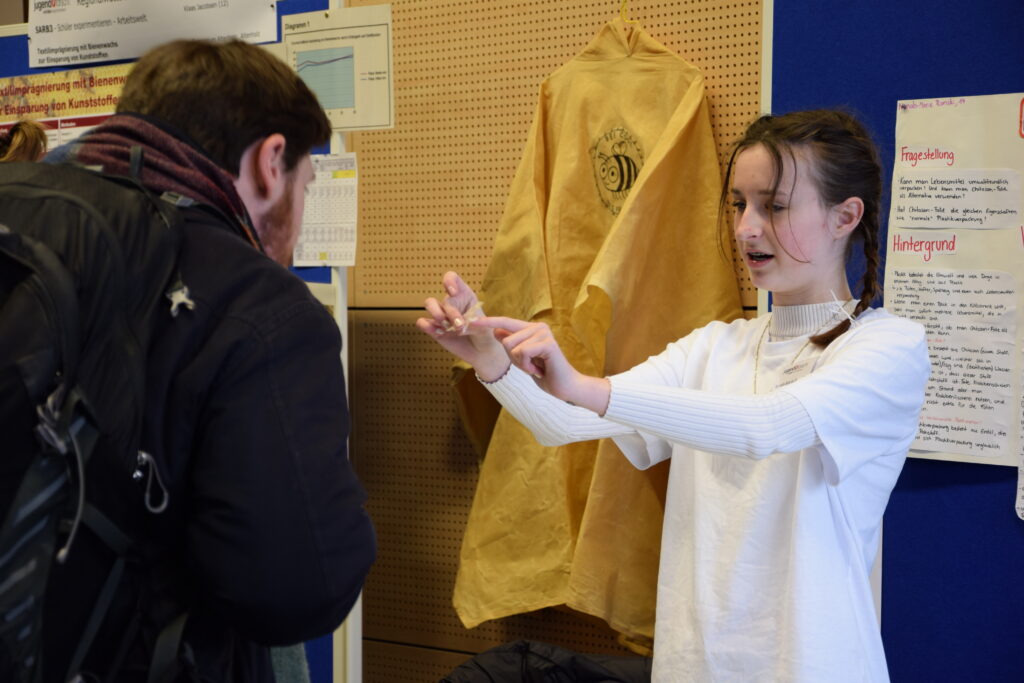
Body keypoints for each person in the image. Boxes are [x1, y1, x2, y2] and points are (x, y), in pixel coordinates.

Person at [419, 110, 930, 681]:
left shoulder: (888, 349)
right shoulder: (714, 347)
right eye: (739, 204)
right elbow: (562, 425)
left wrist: (589, 386)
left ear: (845, 216)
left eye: (774, 206)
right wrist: (491, 359)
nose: (746, 228)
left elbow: (768, 427)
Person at [40, 40, 376, 681]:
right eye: (306, 183)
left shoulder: (24, 226)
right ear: (270, 161)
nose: (299, 219)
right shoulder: (261, 306)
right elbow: (298, 590)